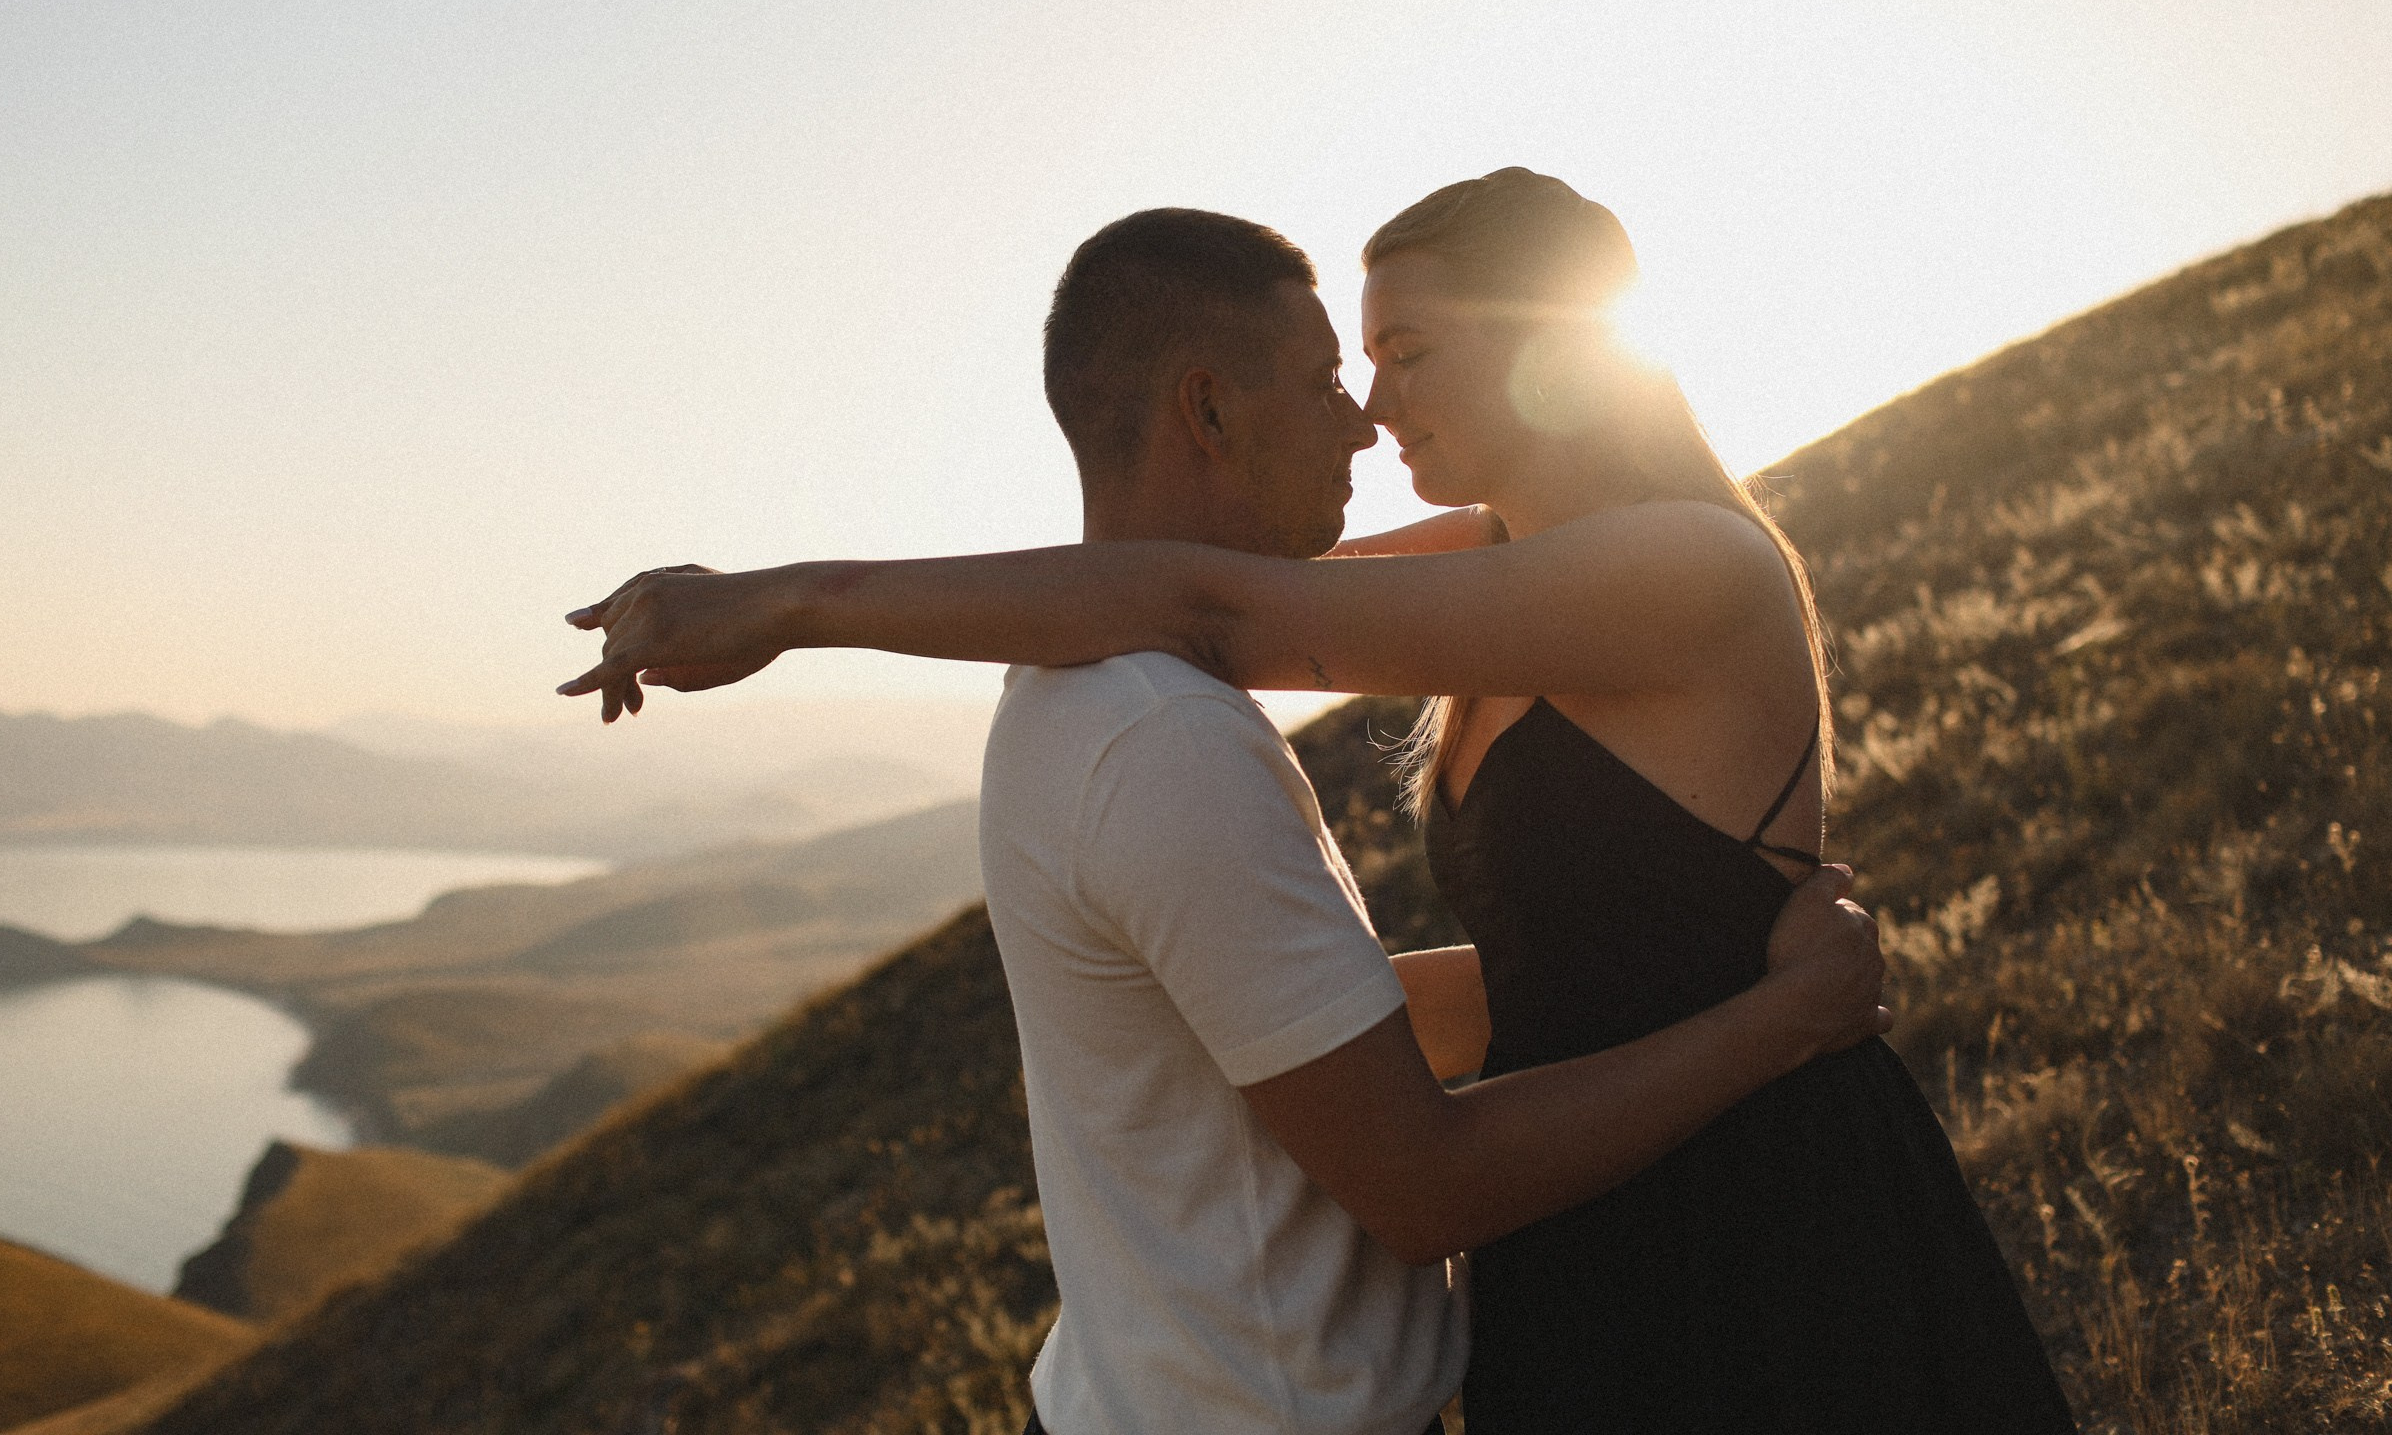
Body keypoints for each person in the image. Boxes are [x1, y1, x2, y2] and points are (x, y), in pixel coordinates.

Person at [563, 204, 1896, 1435]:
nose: (1372, 411)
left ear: (1557, 351)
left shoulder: (1681, 566)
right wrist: (789, 605)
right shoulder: (1234, 680)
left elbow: (1199, 602)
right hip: (1581, 1212)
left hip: (1729, 1205)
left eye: (1404, 352)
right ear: (1208, 406)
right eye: (1342, 372)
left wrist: (796, 602)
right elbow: (1182, 599)